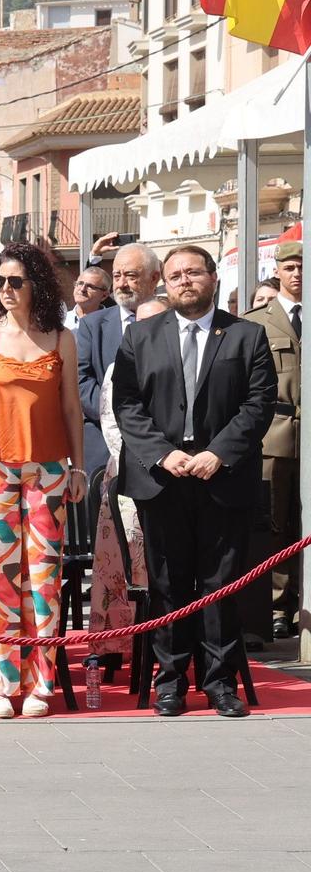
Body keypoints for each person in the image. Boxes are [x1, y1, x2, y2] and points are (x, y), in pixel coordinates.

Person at [113, 245, 277, 718]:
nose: (185, 280)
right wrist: (164, 454)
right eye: (175, 274)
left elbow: (258, 403)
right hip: (163, 479)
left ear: (212, 278)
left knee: (220, 584)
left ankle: (220, 681)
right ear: (164, 282)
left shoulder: (247, 336)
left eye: (193, 272)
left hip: (222, 478)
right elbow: (127, 404)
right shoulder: (140, 337)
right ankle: (170, 682)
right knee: (167, 584)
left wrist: (216, 454)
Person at [0, 243, 87, 719]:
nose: (5, 290)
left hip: (48, 467)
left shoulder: (60, 338)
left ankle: (39, 681)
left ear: (36, 286)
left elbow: (72, 409)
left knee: (44, 576)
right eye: (1, 281)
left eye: (15, 282)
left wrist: (79, 466)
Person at [89, 297, 169, 660]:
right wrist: (151, 459)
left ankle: (164, 640)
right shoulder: (117, 367)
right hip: (127, 474)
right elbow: (112, 422)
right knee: (119, 565)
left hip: (174, 476)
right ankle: (116, 643)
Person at [246, 240, 302, 644]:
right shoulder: (257, 322)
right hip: (277, 436)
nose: (298, 274)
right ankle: (279, 606)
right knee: (277, 524)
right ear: (278, 272)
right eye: (291, 267)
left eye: (303, 267)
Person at [77, 244, 161, 511]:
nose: (122, 284)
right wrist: (114, 417)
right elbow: (80, 379)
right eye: (117, 275)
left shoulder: (171, 321)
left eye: (131, 276)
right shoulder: (93, 325)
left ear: (154, 278)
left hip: (159, 446)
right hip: (103, 449)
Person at [66, 266, 111, 331]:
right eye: (80, 283)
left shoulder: (114, 323)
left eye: (90, 286)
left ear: (104, 295)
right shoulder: (61, 321)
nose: (82, 289)